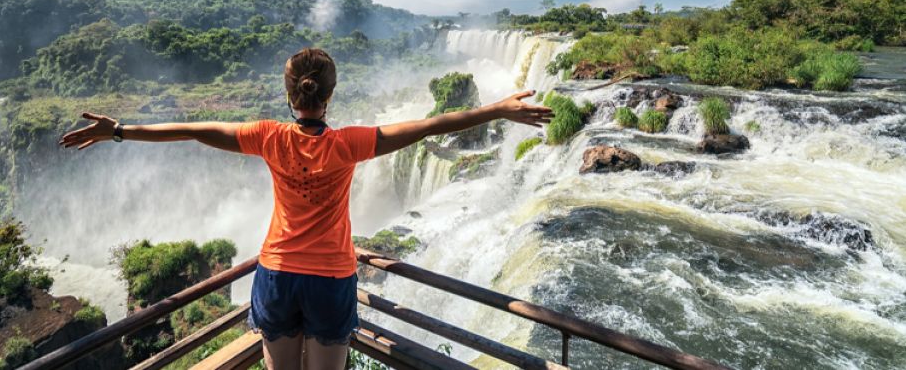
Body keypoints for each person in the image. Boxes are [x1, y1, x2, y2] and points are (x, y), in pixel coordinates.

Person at [58, 47, 553, 369]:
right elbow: (430, 125)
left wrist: (118, 130)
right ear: (330, 94)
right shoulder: (350, 144)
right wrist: (498, 109)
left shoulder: (266, 137)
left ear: (289, 94)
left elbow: (192, 128)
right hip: (331, 279)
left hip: (274, 274)